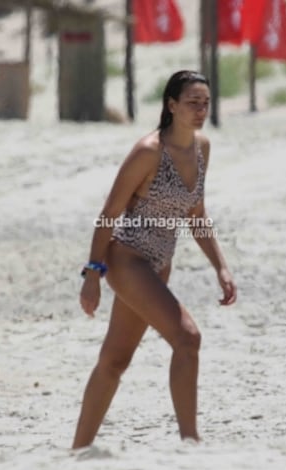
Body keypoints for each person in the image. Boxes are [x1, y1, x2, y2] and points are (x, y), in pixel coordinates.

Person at [72, 70, 237, 449]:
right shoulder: (149, 151)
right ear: (172, 106)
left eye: (206, 103)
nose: (200, 110)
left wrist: (221, 267)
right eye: (193, 103)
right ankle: (190, 442)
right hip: (127, 260)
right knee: (188, 338)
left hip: (159, 264)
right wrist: (93, 274)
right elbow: (109, 213)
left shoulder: (202, 148)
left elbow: (196, 215)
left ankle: (78, 450)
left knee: (115, 360)